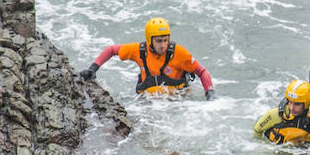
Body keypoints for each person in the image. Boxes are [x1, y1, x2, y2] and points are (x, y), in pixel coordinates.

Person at [79, 16, 216, 99]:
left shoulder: (179, 53)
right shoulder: (139, 51)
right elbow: (111, 50)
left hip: (178, 102)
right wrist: (93, 68)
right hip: (147, 102)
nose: (163, 45)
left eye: (165, 40)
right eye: (159, 41)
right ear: (149, 40)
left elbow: (202, 72)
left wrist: (210, 93)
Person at [253, 79, 310, 145]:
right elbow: (257, 131)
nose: (292, 108)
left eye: (297, 104)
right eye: (290, 102)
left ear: (306, 104)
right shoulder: (273, 115)